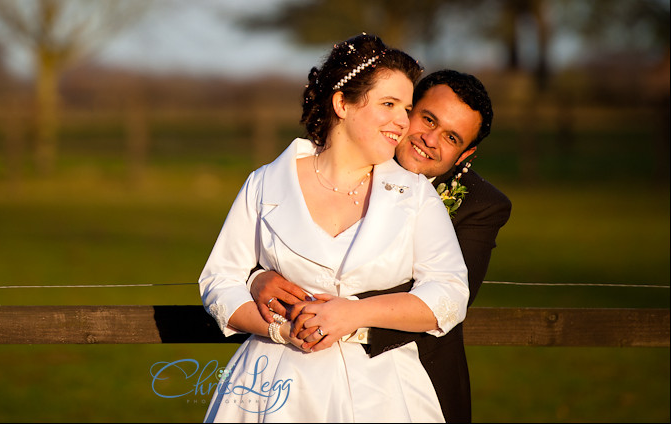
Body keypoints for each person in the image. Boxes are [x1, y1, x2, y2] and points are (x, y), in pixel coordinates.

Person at [198, 34, 470, 422]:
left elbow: (449, 293)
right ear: (342, 103)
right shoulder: (264, 184)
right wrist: (279, 329)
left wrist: (354, 314)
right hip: (273, 388)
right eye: (388, 104)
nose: (401, 121)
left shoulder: (415, 196)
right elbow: (218, 280)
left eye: (407, 108)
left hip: (382, 393)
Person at [249, 69, 512, 422]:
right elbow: (285, 238)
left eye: (451, 137)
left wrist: (338, 312)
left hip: (414, 376)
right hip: (299, 372)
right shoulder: (340, 163)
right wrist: (258, 277)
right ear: (406, 110)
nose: (430, 139)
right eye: (427, 119)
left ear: (466, 155)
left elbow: (442, 296)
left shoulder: (481, 205)